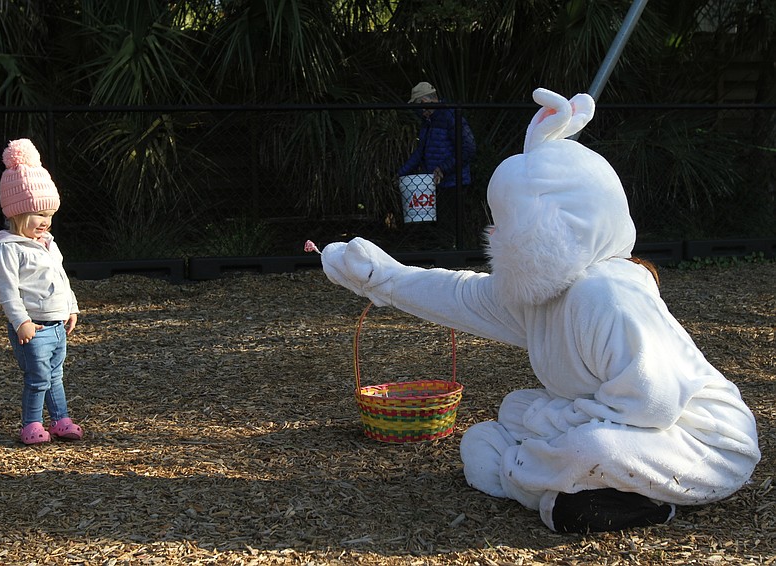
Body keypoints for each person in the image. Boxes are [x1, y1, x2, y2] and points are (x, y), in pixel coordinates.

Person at [320, 88, 760, 532]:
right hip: (623, 426)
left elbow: (653, 402)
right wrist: (382, 277)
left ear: (551, 224)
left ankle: (548, 486)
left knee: (589, 447)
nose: (496, 234)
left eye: (509, 222)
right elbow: (461, 295)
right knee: (511, 411)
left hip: (702, 444)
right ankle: (564, 488)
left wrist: (549, 420)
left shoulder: (606, 295)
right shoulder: (545, 293)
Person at [0, 138, 84, 446]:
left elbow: (60, 276)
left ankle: (61, 419)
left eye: (49, 215)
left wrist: (71, 306)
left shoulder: (47, 243)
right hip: (34, 327)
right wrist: (20, 322)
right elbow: (8, 291)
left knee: (56, 375)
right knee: (37, 377)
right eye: (38, 215)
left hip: (56, 326)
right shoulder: (9, 249)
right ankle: (31, 424)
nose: (45, 222)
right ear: (16, 214)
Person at [398, 81, 476, 247]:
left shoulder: (450, 116)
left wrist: (443, 169)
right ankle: (444, 254)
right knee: (438, 223)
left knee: (448, 223)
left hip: (454, 181)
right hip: (434, 182)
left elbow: (468, 148)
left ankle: (450, 256)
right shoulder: (429, 121)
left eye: (418, 107)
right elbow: (421, 150)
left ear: (424, 103)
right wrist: (401, 173)